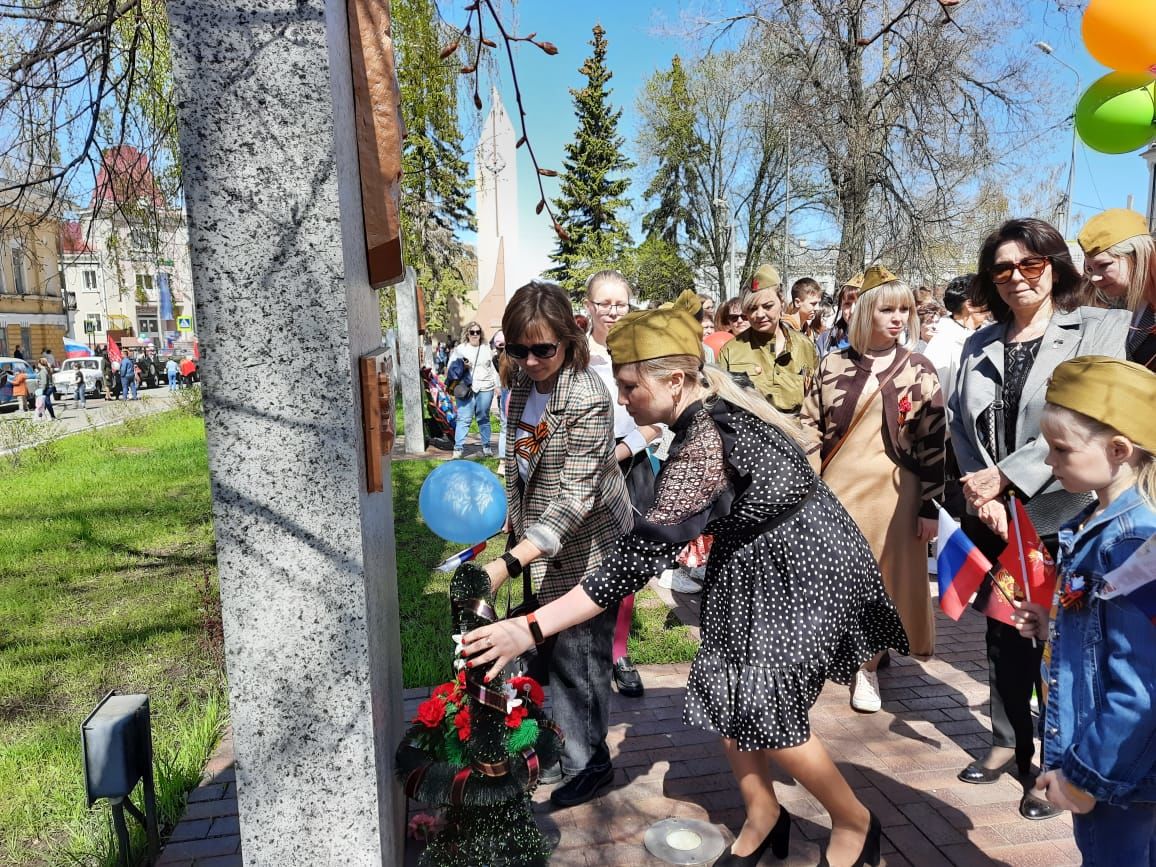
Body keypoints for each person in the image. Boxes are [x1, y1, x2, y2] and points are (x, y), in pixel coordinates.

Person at [463, 291, 907, 867]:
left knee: (766, 705)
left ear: (675, 381)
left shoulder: (704, 441)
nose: (621, 400)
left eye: (630, 388)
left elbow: (630, 563)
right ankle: (763, 814)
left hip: (800, 570)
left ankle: (853, 822)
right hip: (750, 563)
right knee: (726, 688)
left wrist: (527, 628)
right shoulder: (698, 419)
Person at [949, 217, 1131, 819]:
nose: (1017, 278)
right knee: (1003, 629)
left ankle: (1056, 765)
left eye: (1031, 265)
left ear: (1053, 265)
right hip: (997, 512)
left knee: (1061, 640)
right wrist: (986, 494)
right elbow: (960, 422)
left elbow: (1084, 415)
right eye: (1003, 269)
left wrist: (1008, 477)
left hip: (1065, 505)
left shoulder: (1099, 326)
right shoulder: (981, 341)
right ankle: (1007, 740)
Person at [479, 280, 633, 808]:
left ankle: (591, 765)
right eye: (517, 348)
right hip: (538, 544)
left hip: (588, 547)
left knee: (581, 662)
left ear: (568, 338)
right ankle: (558, 752)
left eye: (542, 349)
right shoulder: (521, 383)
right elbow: (516, 462)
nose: (529, 360)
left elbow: (575, 496)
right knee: (546, 658)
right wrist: (511, 526)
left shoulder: (590, 395)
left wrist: (508, 564)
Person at [1011, 357, 1156, 865]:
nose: (1049, 462)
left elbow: (1141, 685)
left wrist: (1084, 777)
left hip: (1115, 771)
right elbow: (1110, 633)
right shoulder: (1102, 516)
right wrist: (1056, 625)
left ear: (1119, 450)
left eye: (1061, 449)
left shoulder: (1132, 540)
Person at [802, 265, 945, 713]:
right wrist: (805, 490)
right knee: (837, 579)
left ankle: (868, 666)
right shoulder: (832, 363)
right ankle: (838, 649)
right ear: (864, 311)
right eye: (887, 309)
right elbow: (808, 429)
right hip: (836, 493)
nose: (899, 317)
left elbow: (935, 443)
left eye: (905, 309)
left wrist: (929, 507)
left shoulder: (919, 368)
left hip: (895, 497)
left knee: (887, 583)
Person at [584, 270, 663, 700]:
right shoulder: (575, 355)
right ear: (588, 305)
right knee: (582, 558)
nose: (612, 311)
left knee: (626, 565)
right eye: (604, 302)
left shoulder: (644, 354)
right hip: (581, 465)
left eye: (620, 303)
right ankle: (581, 645)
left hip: (628, 467)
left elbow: (655, 426)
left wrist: (619, 453)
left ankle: (617, 652)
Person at [717, 265, 819, 415]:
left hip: (796, 434)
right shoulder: (731, 351)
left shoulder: (804, 346)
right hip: (749, 434)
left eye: (767, 306)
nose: (759, 314)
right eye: (752, 308)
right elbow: (720, 408)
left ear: (781, 301)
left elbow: (815, 403)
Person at [1078, 208, 1156, 369]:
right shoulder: (1121, 304)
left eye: (1104, 265)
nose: (1094, 278)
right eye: (1090, 269)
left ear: (1137, 256)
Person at [921, 274, 986, 397]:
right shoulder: (941, 344)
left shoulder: (986, 338)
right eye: (986, 299)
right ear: (970, 305)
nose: (990, 306)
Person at [447, 321, 498, 460]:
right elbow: (450, 368)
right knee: (464, 418)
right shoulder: (460, 349)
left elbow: (493, 369)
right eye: (472, 332)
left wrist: (497, 385)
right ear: (467, 334)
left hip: (486, 387)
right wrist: (463, 367)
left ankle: (486, 447)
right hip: (466, 387)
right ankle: (458, 449)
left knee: (483, 417)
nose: (475, 335)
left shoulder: (487, 348)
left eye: (478, 332)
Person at [816, 273, 863, 356]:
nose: (852, 311)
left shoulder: (880, 342)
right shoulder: (826, 339)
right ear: (841, 306)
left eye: (858, 304)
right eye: (847, 304)